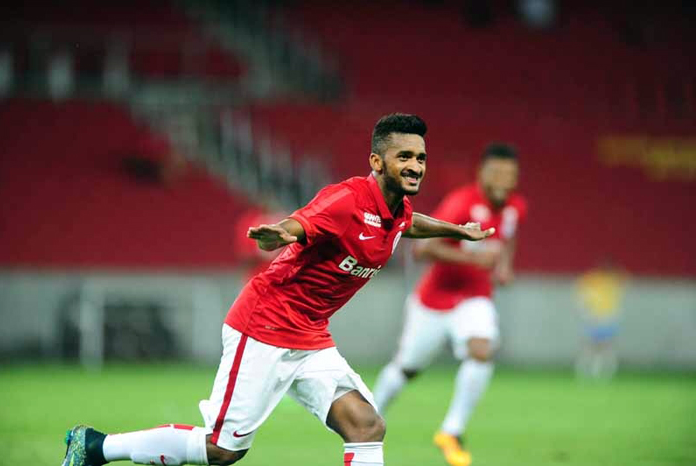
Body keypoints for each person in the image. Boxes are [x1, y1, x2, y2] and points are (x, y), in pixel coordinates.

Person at [61, 113, 496, 466]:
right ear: (377, 162)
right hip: (264, 325)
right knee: (221, 451)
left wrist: (458, 230)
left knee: (366, 425)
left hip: (310, 335)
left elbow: (409, 224)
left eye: (421, 158)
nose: (416, 166)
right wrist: (279, 234)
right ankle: (96, 446)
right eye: (405, 156)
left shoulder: (398, 210)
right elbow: (301, 222)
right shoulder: (346, 200)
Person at [372, 143, 527, 466]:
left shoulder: (516, 206)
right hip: (434, 299)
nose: (503, 181)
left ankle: (451, 431)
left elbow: (507, 238)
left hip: (474, 297)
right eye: (496, 173)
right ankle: (369, 415)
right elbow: (421, 251)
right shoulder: (461, 203)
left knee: (482, 350)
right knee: (407, 369)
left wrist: (503, 266)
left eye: (509, 175)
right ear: (482, 174)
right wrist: (473, 258)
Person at [574, 259, 627, 380]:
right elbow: (581, 295)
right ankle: (585, 371)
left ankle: (603, 372)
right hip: (594, 318)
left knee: (606, 347)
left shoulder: (613, 280)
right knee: (590, 346)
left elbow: (624, 283)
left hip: (608, 318)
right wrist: (585, 311)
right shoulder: (592, 280)